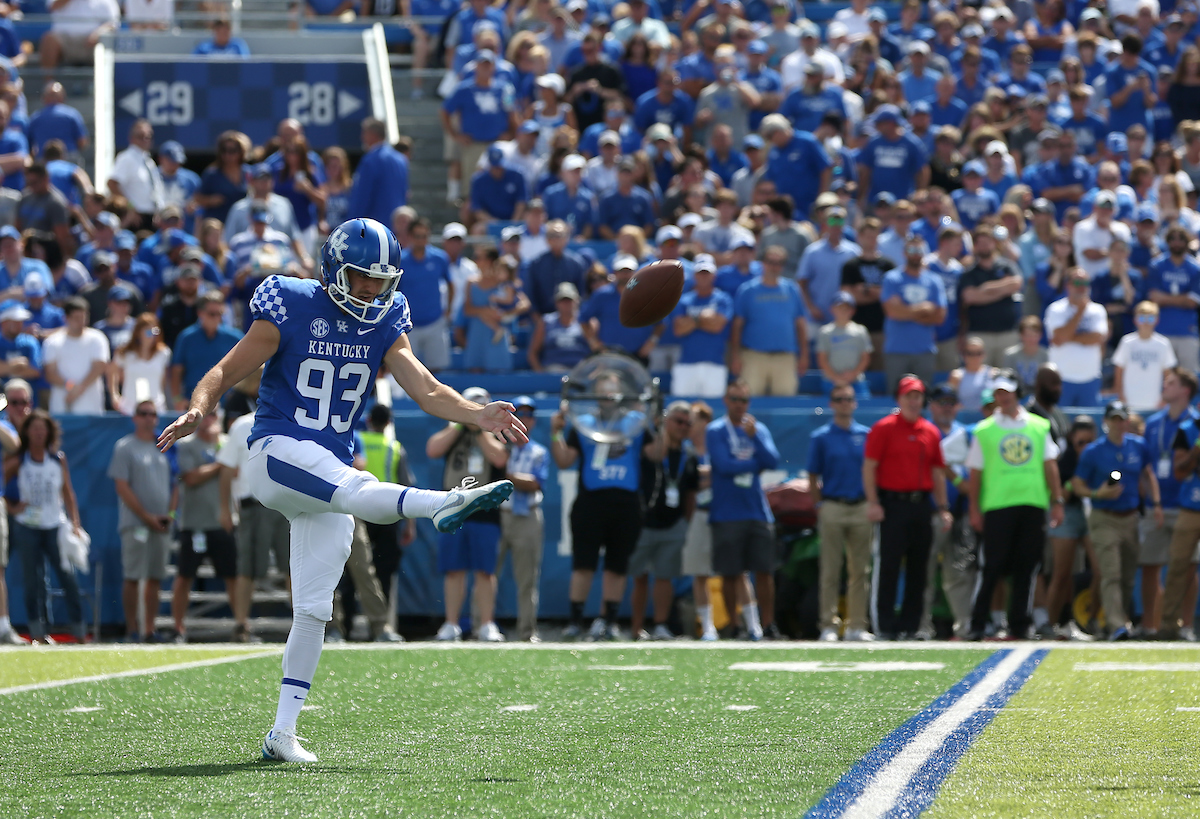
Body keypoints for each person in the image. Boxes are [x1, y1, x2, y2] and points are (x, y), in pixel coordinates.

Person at [156, 217, 523, 762]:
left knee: (314, 610)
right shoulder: (291, 302)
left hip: (324, 468)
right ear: (333, 268)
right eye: (360, 276)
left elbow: (424, 387)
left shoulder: (383, 320)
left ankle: (282, 732)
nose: (372, 289)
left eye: (381, 279)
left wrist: (476, 413)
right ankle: (444, 503)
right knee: (356, 490)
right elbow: (226, 369)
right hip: (276, 454)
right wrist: (198, 406)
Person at [550, 369, 649, 641]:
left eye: (612, 389)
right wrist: (555, 433)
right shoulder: (583, 423)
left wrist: (659, 425)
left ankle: (609, 621)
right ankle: (575, 622)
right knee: (583, 564)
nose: (607, 395)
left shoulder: (636, 422)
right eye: (602, 389)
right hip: (591, 502)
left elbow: (656, 453)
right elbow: (564, 460)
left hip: (626, 502)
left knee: (617, 566)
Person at [964, 372, 1064, 641]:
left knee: (1027, 567)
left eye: (1006, 392)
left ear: (1017, 393)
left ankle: (1020, 625)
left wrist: (1057, 500)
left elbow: (1049, 465)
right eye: (997, 393)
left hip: (1032, 503)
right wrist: (974, 508)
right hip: (997, 505)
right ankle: (977, 623)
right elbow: (975, 473)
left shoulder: (1038, 425)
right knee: (991, 567)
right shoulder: (984, 430)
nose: (1002, 397)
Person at [864, 375, 953, 639]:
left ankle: (910, 626)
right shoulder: (884, 428)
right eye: (909, 396)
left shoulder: (930, 431)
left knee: (919, 567)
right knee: (888, 565)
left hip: (920, 504)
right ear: (899, 399)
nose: (914, 401)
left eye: (918, 396)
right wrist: (873, 502)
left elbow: (937, 472)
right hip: (892, 504)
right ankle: (884, 625)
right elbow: (870, 467)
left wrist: (942, 507)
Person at [1072, 400, 1164, 641]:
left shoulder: (1138, 446)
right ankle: (1116, 625)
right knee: (1110, 572)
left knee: (1127, 576)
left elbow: (1148, 474)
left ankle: (1119, 620)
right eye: (1113, 419)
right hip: (1104, 517)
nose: (1117, 423)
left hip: (1130, 517)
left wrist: (1156, 504)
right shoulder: (1094, 451)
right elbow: (1077, 483)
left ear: (1126, 420)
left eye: (1121, 418)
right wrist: (1096, 493)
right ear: (1106, 421)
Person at [426, 386, 509, 642]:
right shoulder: (454, 431)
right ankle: (451, 624)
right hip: (454, 509)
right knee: (454, 569)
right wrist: (462, 424)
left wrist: (481, 429)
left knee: (485, 571)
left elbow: (499, 459)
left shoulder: (495, 433)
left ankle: (486, 623)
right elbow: (433, 450)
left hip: (484, 512)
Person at [708, 379, 782, 641]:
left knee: (764, 570)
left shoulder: (756, 429)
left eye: (744, 400)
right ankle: (733, 625)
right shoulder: (716, 430)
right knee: (730, 572)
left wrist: (754, 443)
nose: (739, 405)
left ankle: (768, 624)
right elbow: (723, 466)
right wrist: (754, 464)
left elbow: (772, 460)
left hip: (756, 511)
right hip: (727, 511)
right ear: (726, 401)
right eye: (734, 399)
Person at [6, 410, 85, 644]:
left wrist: (75, 523)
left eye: (43, 428)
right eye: (34, 428)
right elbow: (3, 482)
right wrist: (12, 507)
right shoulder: (18, 459)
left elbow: (67, 492)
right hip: (27, 527)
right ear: (27, 432)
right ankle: (38, 634)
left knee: (67, 577)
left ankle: (80, 633)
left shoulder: (57, 459)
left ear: (49, 432)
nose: (39, 432)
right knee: (34, 582)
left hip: (54, 525)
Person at [218, 403, 291, 643]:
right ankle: (241, 625)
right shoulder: (241, 426)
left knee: (294, 567)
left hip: (284, 504)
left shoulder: (290, 420)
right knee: (247, 569)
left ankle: (304, 624)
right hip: (253, 505)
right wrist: (225, 509)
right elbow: (227, 470)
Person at [1138, 368, 1200, 639]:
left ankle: (1184, 625)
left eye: (1171, 383)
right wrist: (1153, 499)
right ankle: (1152, 625)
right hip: (1160, 504)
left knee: (1187, 568)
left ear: (1186, 390)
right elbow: (1148, 466)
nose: (1165, 386)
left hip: (1186, 503)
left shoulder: (1193, 422)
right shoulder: (1154, 423)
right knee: (1153, 566)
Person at [629, 401, 699, 641]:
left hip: (673, 522)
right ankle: (636, 628)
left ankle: (660, 625)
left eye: (687, 423)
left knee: (664, 577)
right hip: (644, 521)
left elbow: (691, 493)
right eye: (678, 421)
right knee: (639, 576)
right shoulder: (652, 446)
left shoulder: (689, 454)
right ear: (667, 421)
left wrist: (685, 523)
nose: (683, 427)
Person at [808, 384, 873, 641]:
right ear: (832, 403)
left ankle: (857, 624)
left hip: (860, 506)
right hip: (833, 505)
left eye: (848, 399)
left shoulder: (866, 435)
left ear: (855, 403)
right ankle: (829, 625)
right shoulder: (821, 437)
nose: (844, 403)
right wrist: (819, 505)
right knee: (830, 569)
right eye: (839, 399)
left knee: (860, 570)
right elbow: (813, 475)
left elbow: (871, 471)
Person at [170, 411, 237, 643]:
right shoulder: (187, 445)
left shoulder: (228, 442)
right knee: (184, 576)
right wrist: (221, 463)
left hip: (223, 522)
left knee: (233, 576)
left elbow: (237, 472)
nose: (209, 420)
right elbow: (190, 477)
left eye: (213, 415)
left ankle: (241, 626)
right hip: (194, 523)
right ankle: (178, 628)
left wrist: (223, 461)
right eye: (205, 416)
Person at [110, 399, 173, 642]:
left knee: (155, 577)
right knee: (133, 576)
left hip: (161, 524)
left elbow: (175, 484)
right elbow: (122, 487)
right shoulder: (125, 447)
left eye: (153, 414)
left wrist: (171, 515)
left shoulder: (164, 447)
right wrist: (147, 517)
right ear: (135, 417)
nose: (148, 418)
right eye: (143, 413)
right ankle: (131, 629)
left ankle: (149, 630)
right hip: (135, 523)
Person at [497, 396, 548, 642]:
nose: (524, 419)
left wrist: (505, 474)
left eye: (529, 415)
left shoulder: (538, 451)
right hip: (498, 515)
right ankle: (481, 626)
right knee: (486, 575)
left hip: (526, 516)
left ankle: (527, 632)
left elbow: (536, 483)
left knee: (527, 579)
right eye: (521, 414)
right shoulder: (497, 446)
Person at [1044, 416, 1099, 640]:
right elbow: (1061, 496)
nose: (1085, 447)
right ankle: (1049, 624)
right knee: (1062, 574)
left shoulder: (1099, 458)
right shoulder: (1063, 461)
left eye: (1089, 442)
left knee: (1101, 570)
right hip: (1067, 514)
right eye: (1080, 442)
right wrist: (1074, 481)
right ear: (1071, 441)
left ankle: (1092, 621)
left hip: (1092, 513)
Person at [729, 245, 808, 397]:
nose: (774, 266)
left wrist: (803, 355)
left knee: (785, 405)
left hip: (785, 357)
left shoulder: (792, 289)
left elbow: (800, 324)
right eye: (770, 262)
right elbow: (737, 326)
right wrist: (735, 356)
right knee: (748, 400)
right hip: (753, 356)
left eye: (779, 263)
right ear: (762, 263)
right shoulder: (747, 290)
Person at [881, 237, 947, 391]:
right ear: (904, 253)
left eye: (919, 250)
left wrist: (905, 310)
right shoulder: (892, 278)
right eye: (911, 250)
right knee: (895, 396)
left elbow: (939, 316)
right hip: (896, 350)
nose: (916, 254)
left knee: (923, 397)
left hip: (924, 351)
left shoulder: (934, 281)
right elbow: (892, 312)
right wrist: (923, 310)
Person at [1044, 267, 1110, 407]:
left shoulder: (1097, 310)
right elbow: (1059, 338)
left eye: (1085, 284)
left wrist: (1068, 337)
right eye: (1077, 283)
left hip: (1090, 379)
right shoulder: (1056, 309)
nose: (1082, 288)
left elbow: (1098, 338)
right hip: (1061, 379)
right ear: (1068, 285)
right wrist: (1080, 311)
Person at [959, 226, 1024, 366]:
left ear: (994, 243)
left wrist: (986, 288)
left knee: (1005, 379)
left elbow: (1016, 284)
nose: (984, 246)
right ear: (975, 246)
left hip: (1007, 333)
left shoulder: (1006, 266)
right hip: (980, 334)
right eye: (980, 243)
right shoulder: (970, 272)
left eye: (987, 242)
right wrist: (1003, 289)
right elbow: (970, 297)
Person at [669, 258, 733, 398]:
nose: (703, 277)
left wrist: (691, 321)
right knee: (682, 406)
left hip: (714, 364)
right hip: (687, 364)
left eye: (707, 273)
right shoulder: (684, 300)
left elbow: (717, 326)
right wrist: (702, 318)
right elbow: (679, 329)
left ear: (714, 276)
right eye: (700, 273)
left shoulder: (723, 299)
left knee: (713, 408)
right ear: (694, 276)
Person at [170, 292, 241, 410]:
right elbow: (176, 371)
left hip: (227, 406)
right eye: (211, 314)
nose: (216, 318)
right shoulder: (186, 338)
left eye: (219, 314)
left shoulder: (234, 338)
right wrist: (177, 399)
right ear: (200, 313)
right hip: (193, 405)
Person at [1146, 225, 1200, 374]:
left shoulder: (1195, 268)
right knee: (1160, 378)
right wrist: (1182, 299)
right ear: (1167, 241)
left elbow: (1192, 302)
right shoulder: (1156, 265)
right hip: (1161, 330)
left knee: (1189, 379)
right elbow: (1154, 298)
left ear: (1187, 242)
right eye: (1172, 239)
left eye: (1181, 239)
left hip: (1187, 331)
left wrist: (1165, 298)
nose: (1177, 243)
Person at [41, 297, 107, 415]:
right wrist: (71, 386)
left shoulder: (98, 339)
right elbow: (50, 373)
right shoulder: (53, 342)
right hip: (61, 408)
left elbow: (99, 367)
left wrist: (78, 389)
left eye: (84, 318)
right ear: (66, 318)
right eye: (76, 318)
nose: (81, 322)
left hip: (92, 408)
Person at [1112, 301, 1177, 413]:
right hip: (1129, 402)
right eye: (1142, 318)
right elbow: (1119, 371)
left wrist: (1164, 399)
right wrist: (1120, 394)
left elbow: (1168, 375)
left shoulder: (1163, 344)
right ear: (1135, 320)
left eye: (1150, 318)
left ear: (1156, 320)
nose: (1146, 322)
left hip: (1154, 403)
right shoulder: (1127, 342)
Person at [347, 118, 409, 227]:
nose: (362, 137)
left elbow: (362, 197)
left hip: (375, 229)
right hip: (398, 227)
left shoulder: (370, 160)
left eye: (364, 133)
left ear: (373, 134)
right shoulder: (401, 160)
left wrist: (352, 224)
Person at [106, 120, 164, 231]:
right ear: (131, 138)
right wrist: (130, 209)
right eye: (141, 136)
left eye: (149, 136)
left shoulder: (148, 161)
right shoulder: (126, 158)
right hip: (137, 218)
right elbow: (112, 183)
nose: (146, 139)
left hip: (152, 218)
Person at [815, 292, 871, 397]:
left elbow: (865, 357)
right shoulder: (825, 332)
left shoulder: (860, 331)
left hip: (856, 380)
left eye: (847, 308)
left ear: (853, 311)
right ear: (832, 309)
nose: (843, 311)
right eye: (840, 307)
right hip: (831, 381)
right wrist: (836, 378)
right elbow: (822, 359)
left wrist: (853, 374)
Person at [527, 281, 589, 372]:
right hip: (553, 371)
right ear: (556, 303)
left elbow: (596, 350)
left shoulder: (586, 322)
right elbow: (532, 353)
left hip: (580, 371)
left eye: (569, 300)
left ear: (577, 301)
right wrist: (540, 373)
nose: (566, 304)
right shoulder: (546, 322)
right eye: (562, 300)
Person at [948, 336, 999, 412]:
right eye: (970, 353)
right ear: (963, 355)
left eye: (978, 353)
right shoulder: (956, 376)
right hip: (964, 418)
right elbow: (950, 401)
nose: (974, 357)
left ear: (984, 354)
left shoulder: (994, 373)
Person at [1003, 315, 1049, 395]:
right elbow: (1006, 381)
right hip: (1016, 396)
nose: (1031, 339)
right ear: (1021, 335)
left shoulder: (1046, 355)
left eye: (1035, 335)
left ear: (1040, 335)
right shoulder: (1010, 355)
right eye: (1028, 335)